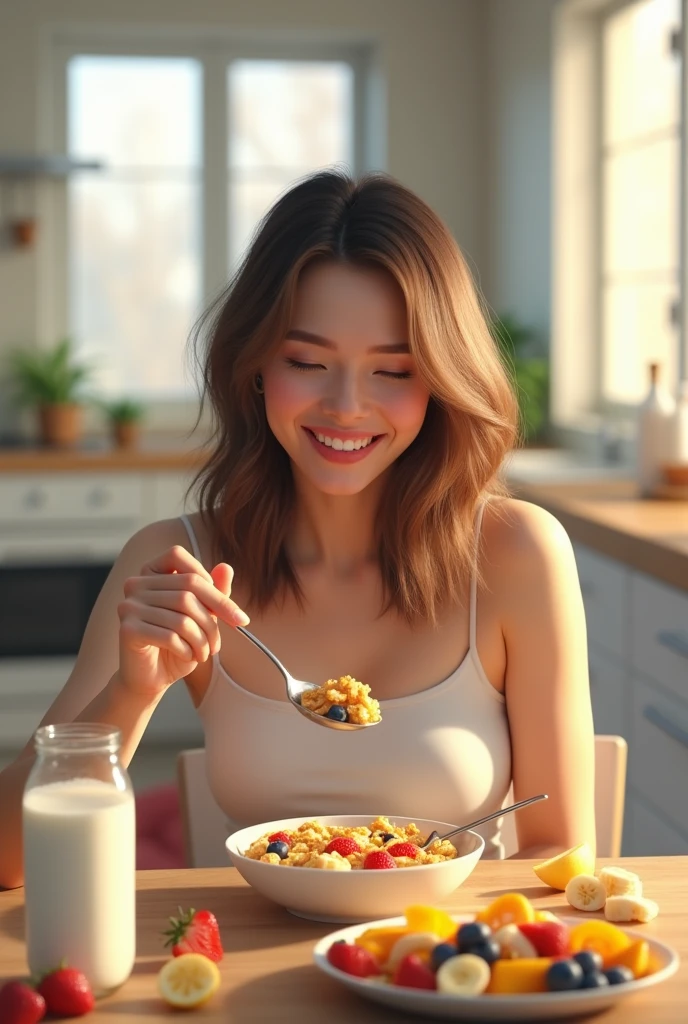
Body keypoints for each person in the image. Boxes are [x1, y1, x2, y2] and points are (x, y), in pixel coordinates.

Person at [0, 170, 595, 889]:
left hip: (442, 970)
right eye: (307, 362)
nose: (346, 406)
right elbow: (12, 861)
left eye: (394, 371)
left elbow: (562, 856)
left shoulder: (517, 555)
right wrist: (133, 691)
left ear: (440, 382)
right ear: (255, 367)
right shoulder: (176, 561)